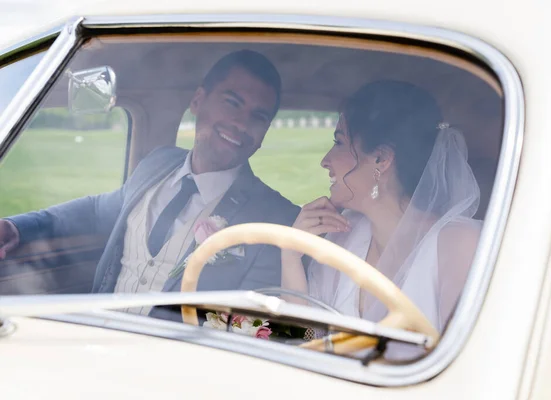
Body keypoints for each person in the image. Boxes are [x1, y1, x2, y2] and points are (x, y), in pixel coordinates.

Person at [0, 49, 300, 320]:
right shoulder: (157, 163)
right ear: (197, 101)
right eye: (232, 103)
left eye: (258, 117)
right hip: (96, 337)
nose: (240, 123)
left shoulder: (276, 220)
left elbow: (248, 328)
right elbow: (95, 211)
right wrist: (17, 228)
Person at [281, 80, 482, 354]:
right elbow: (304, 341)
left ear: (381, 160)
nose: (325, 160)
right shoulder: (344, 236)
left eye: (339, 142)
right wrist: (291, 255)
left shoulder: (459, 244)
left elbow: (465, 362)